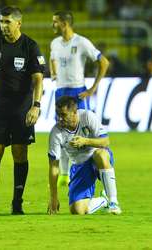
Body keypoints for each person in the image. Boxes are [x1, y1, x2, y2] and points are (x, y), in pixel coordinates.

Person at [0, 6, 45, 215]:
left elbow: (38, 79)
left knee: (19, 152)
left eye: (7, 22)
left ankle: (17, 202)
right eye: (1, 22)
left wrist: (36, 106)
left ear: (18, 23)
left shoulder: (30, 46)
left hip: (22, 104)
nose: (3, 26)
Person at [50, 11, 109, 188]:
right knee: (62, 133)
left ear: (64, 23)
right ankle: (64, 174)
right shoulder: (54, 43)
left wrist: (92, 88)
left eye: (55, 22)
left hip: (78, 92)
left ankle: (93, 169)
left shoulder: (81, 42)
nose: (52, 25)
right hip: (60, 92)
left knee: (83, 133)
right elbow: (53, 59)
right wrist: (54, 73)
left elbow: (104, 62)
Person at [47, 96, 122, 215]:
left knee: (100, 153)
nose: (60, 118)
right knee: (77, 210)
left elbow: (105, 141)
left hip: (96, 159)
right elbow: (54, 166)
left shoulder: (87, 116)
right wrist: (53, 197)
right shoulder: (56, 133)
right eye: (58, 115)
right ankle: (104, 200)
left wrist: (85, 141)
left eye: (63, 115)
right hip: (80, 166)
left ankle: (113, 201)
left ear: (74, 112)